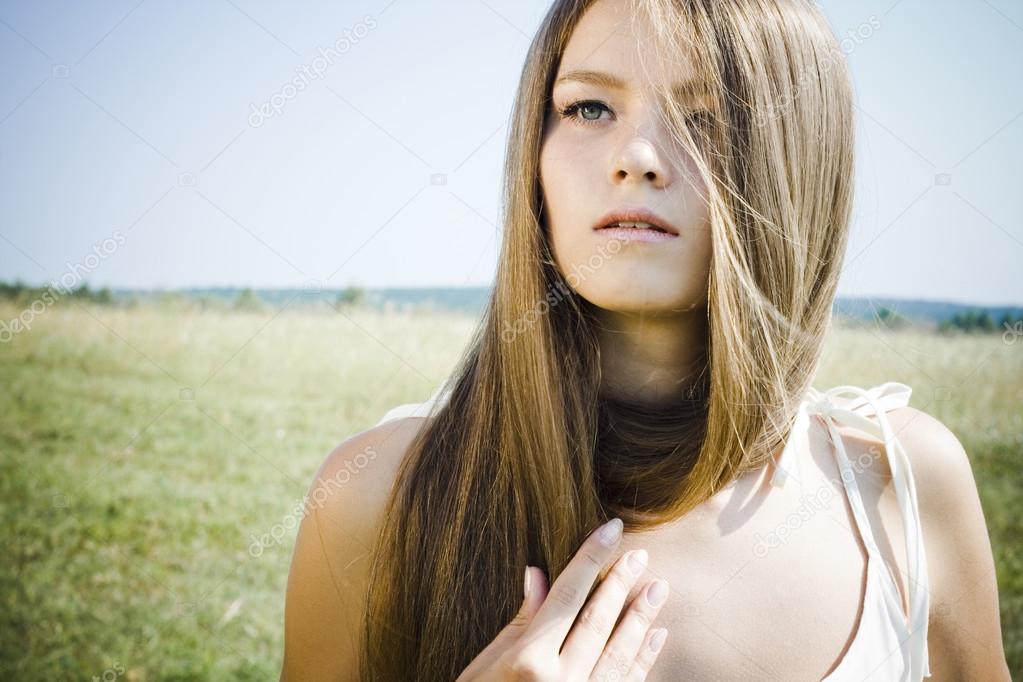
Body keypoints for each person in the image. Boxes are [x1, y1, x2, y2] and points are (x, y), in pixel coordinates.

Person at [281, 0, 1010, 679]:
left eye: (707, 118)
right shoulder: (376, 495)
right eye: (588, 107)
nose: (635, 156)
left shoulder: (904, 483)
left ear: (800, 164)